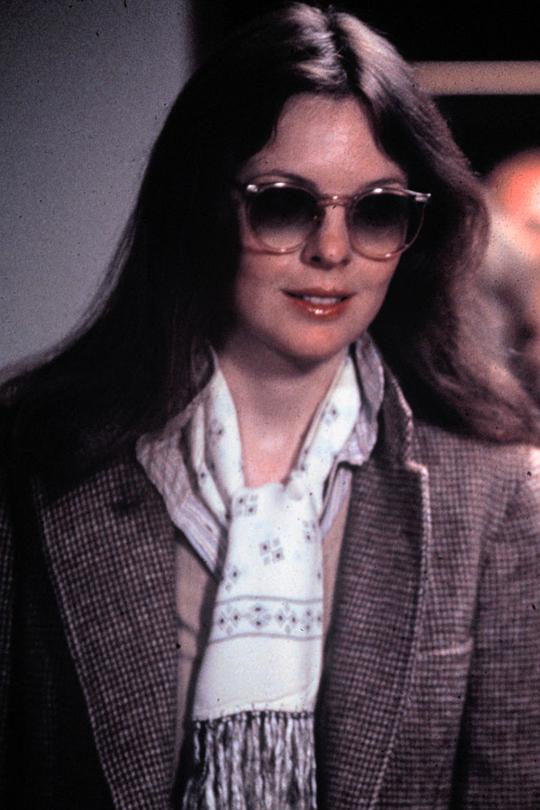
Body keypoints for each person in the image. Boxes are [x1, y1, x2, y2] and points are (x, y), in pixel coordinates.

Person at [1, 4, 539, 809]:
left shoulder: (496, 492)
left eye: (378, 210)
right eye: (284, 203)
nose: (332, 251)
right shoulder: (34, 454)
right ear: (204, 205)